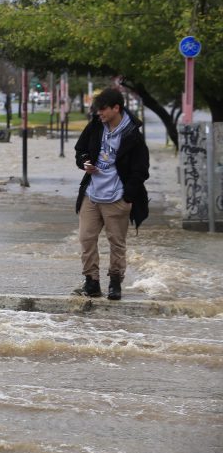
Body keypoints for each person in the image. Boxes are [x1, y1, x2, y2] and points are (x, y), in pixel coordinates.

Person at [74, 88, 149, 300]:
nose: (99, 113)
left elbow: (141, 170)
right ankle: (91, 282)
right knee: (86, 238)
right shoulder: (96, 126)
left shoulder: (132, 134)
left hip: (117, 197)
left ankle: (115, 283)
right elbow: (80, 150)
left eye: (103, 109)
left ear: (116, 108)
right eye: (97, 110)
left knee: (116, 242)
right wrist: (85, 163)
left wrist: (128, 195)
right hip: (92, 193)